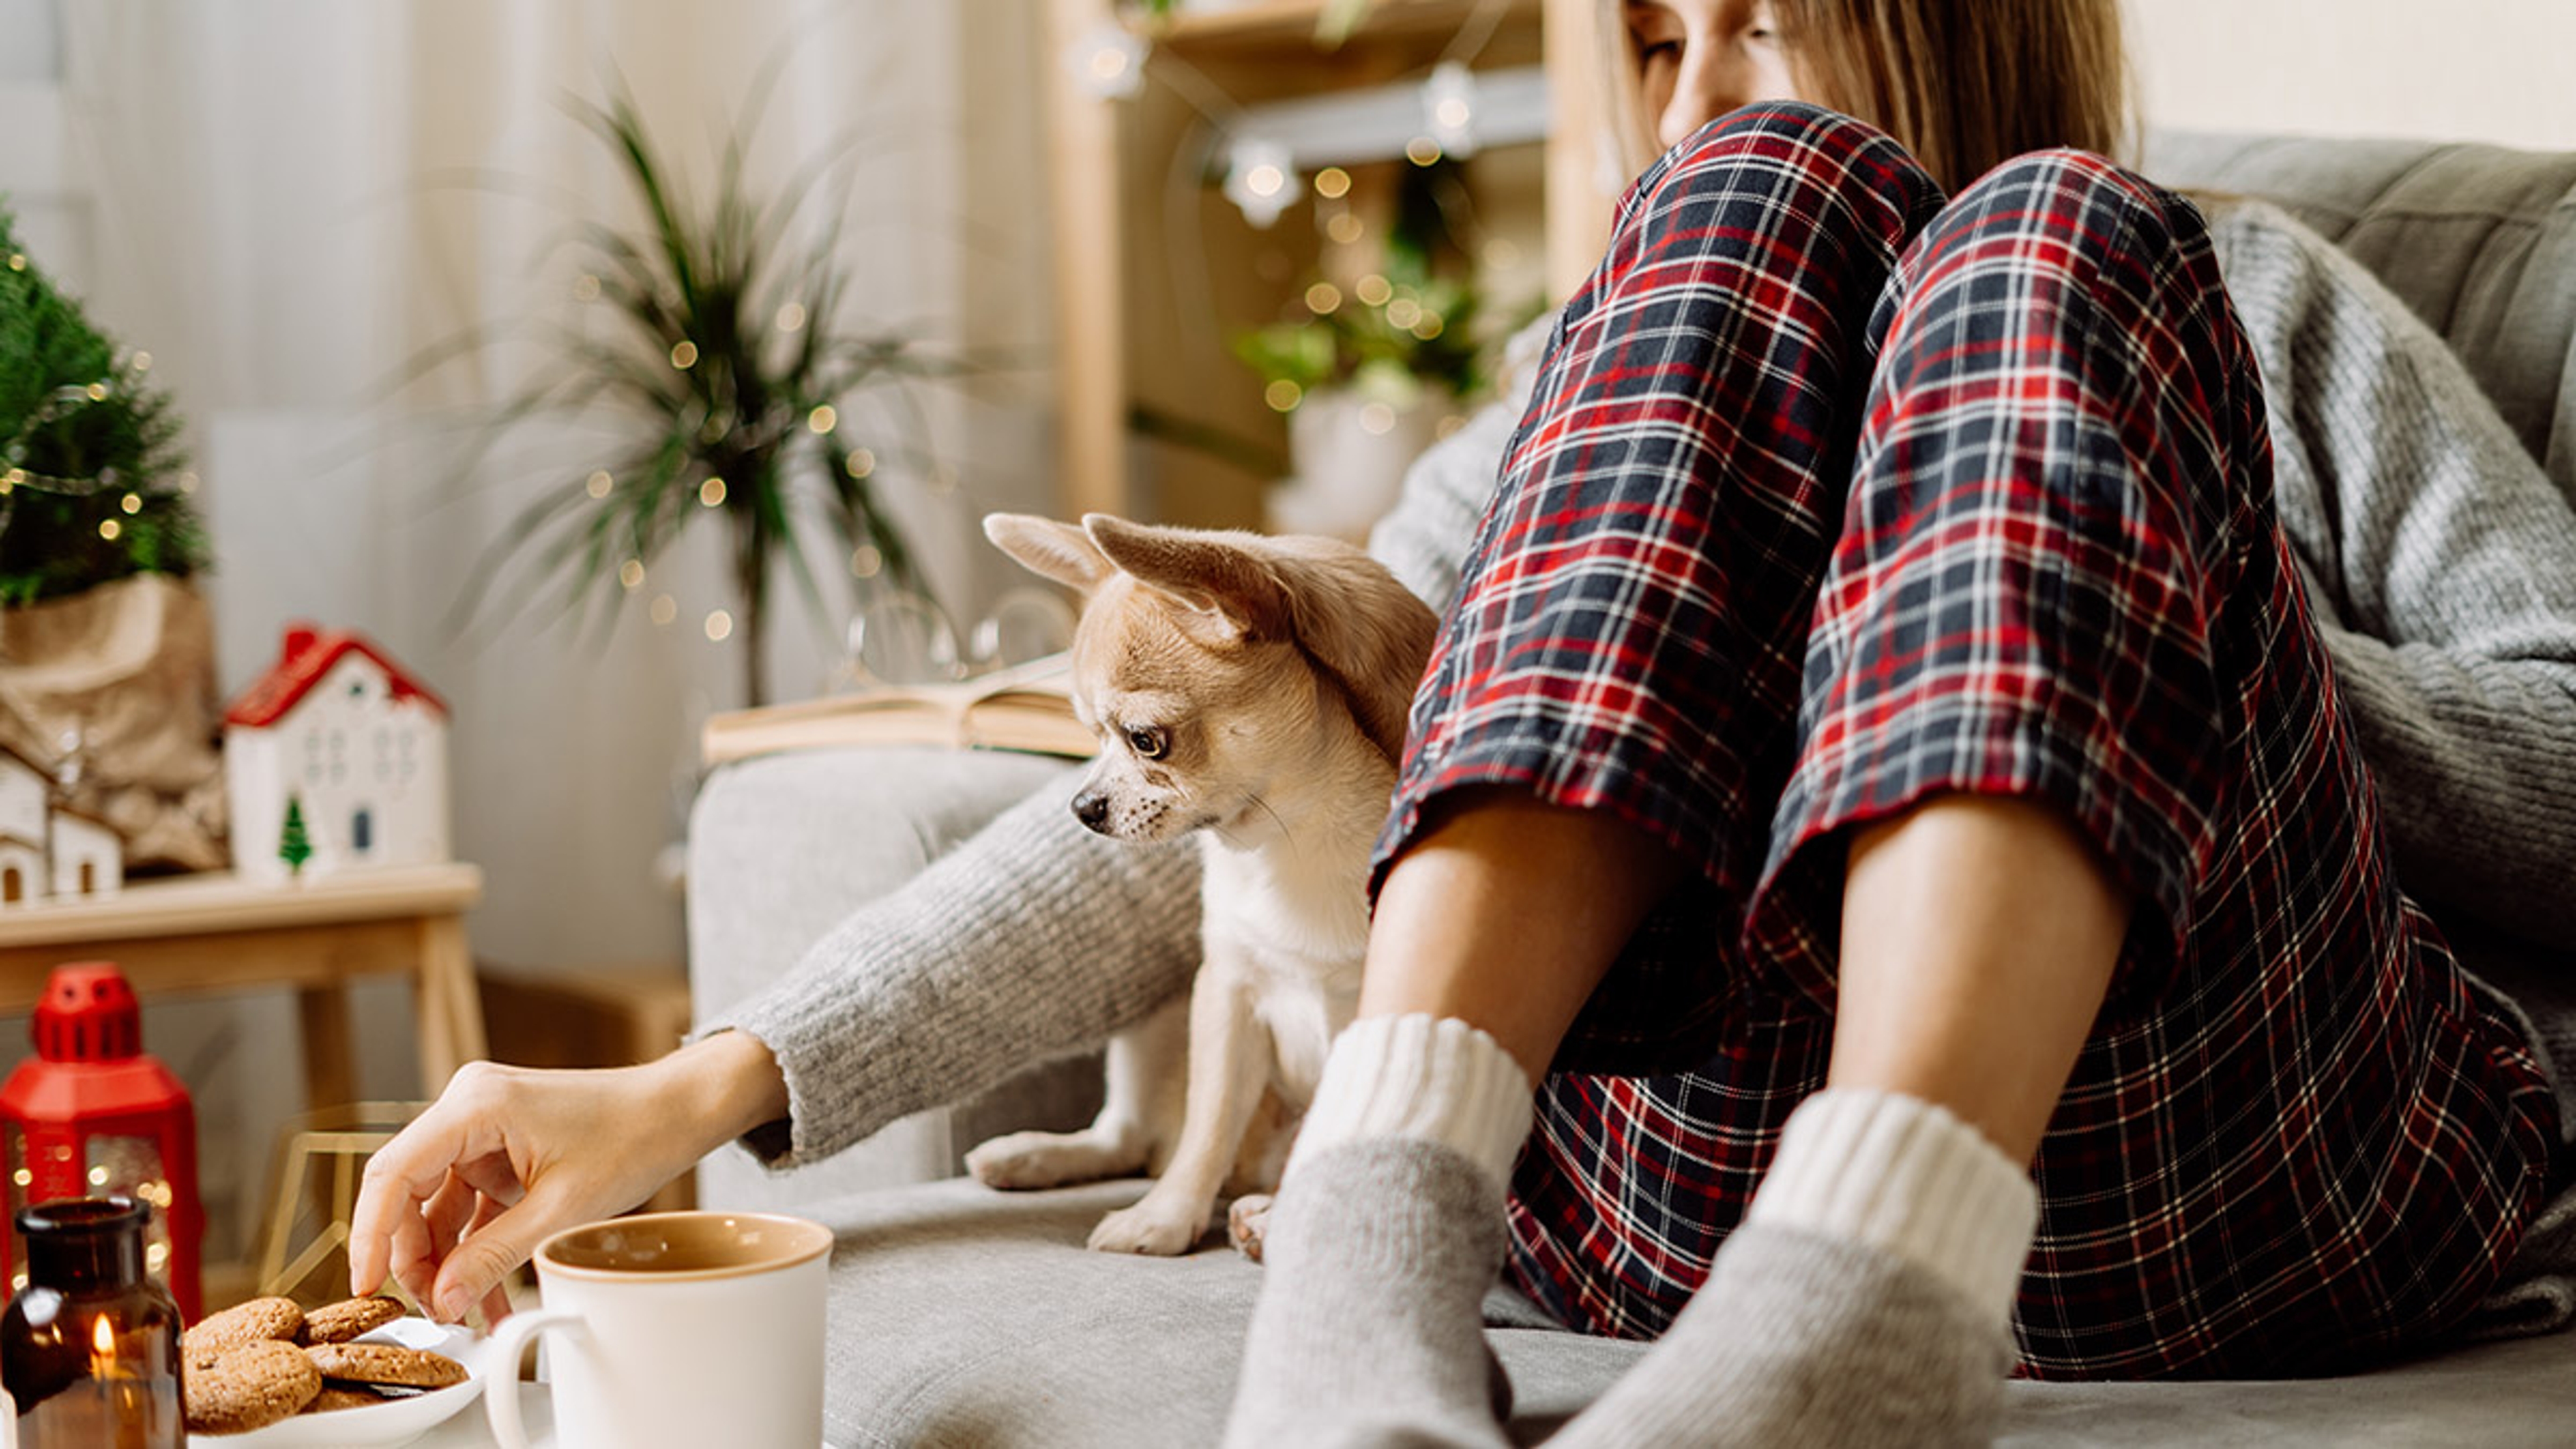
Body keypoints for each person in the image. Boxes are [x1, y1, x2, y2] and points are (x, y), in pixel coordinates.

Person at [350, 2, 2576, 1444]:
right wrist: (703, 1079)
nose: (1695, 89)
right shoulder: (1624, 377)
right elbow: (1236, 792)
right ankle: (1376, 1247)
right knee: (1750, 218)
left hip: (2244, 1160)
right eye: (1652, 35)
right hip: (1679, 1184)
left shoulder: (2258, 297)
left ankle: (1879, 1277)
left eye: (1773, 27)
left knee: (2038, 242)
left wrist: (2135, 621)